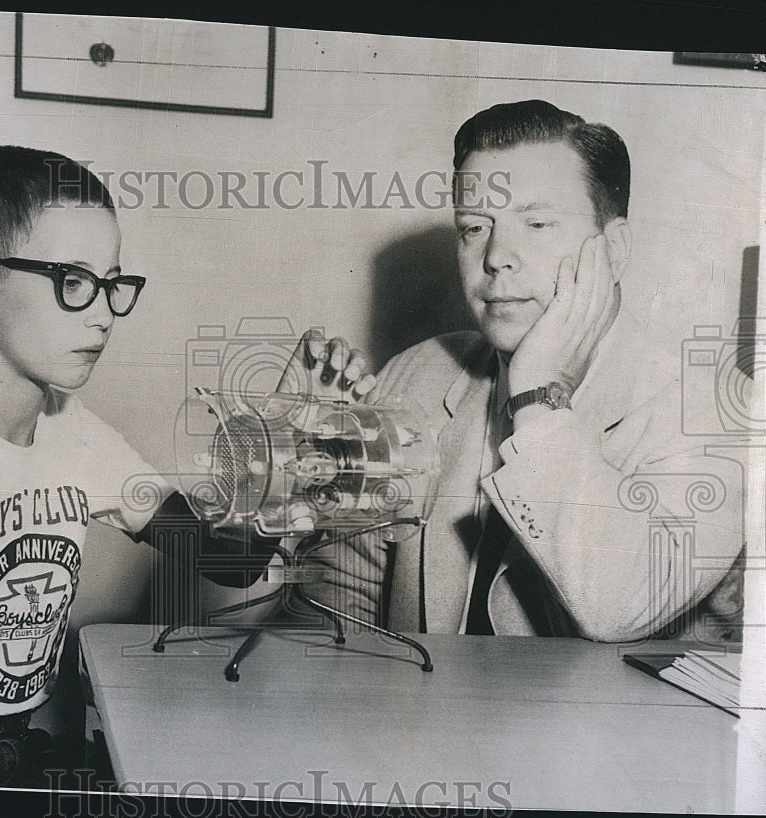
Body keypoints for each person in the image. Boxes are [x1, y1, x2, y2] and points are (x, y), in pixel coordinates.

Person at [0, 146, 362, 786]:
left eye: (112, 284)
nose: (102, 314)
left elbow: (228, 561)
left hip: (6, 752)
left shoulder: (75, 432)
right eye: (73, 281)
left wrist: (286, 441)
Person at [301, 100, 747, 642]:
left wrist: (537, 396)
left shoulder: (718, 412)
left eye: (536, 223)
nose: (496, 257)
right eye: (473, 227)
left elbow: (621, 605)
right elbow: (337, 594)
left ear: (615, 249)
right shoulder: (416, 376)